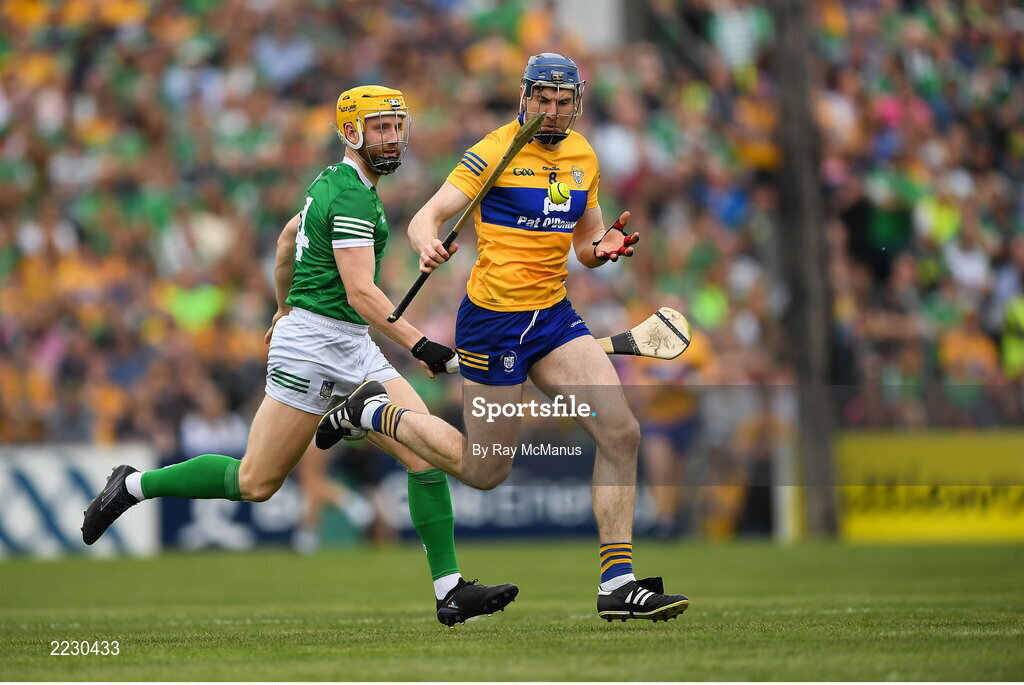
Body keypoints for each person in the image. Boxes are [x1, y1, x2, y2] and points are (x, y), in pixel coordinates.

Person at [82, 85, 518, 627]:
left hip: (348, 342)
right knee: (255, 483)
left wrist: (282, 304)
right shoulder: (354, 195)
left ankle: (449, 591)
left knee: (421, 451)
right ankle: (130, 485)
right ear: (350, 133)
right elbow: (360, 291)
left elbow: (288, 240)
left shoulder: (334, 184)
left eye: (396, 126)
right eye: (379, 127)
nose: (391, 137)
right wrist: (420, 345)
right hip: (313, 348)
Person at [317, 55, 689, 622]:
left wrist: (603, 249)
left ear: (577, 104)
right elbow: (428, 215)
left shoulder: (584, 156)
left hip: (555, 315)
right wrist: (426, 244)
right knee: (486, 470)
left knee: (622, 431)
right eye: (543, 99)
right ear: (525, 97)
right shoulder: (495, 150)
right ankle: (373, 413)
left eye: (563, 102)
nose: (552, 111)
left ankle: (617, 583)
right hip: (494, 320)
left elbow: (585, 242)